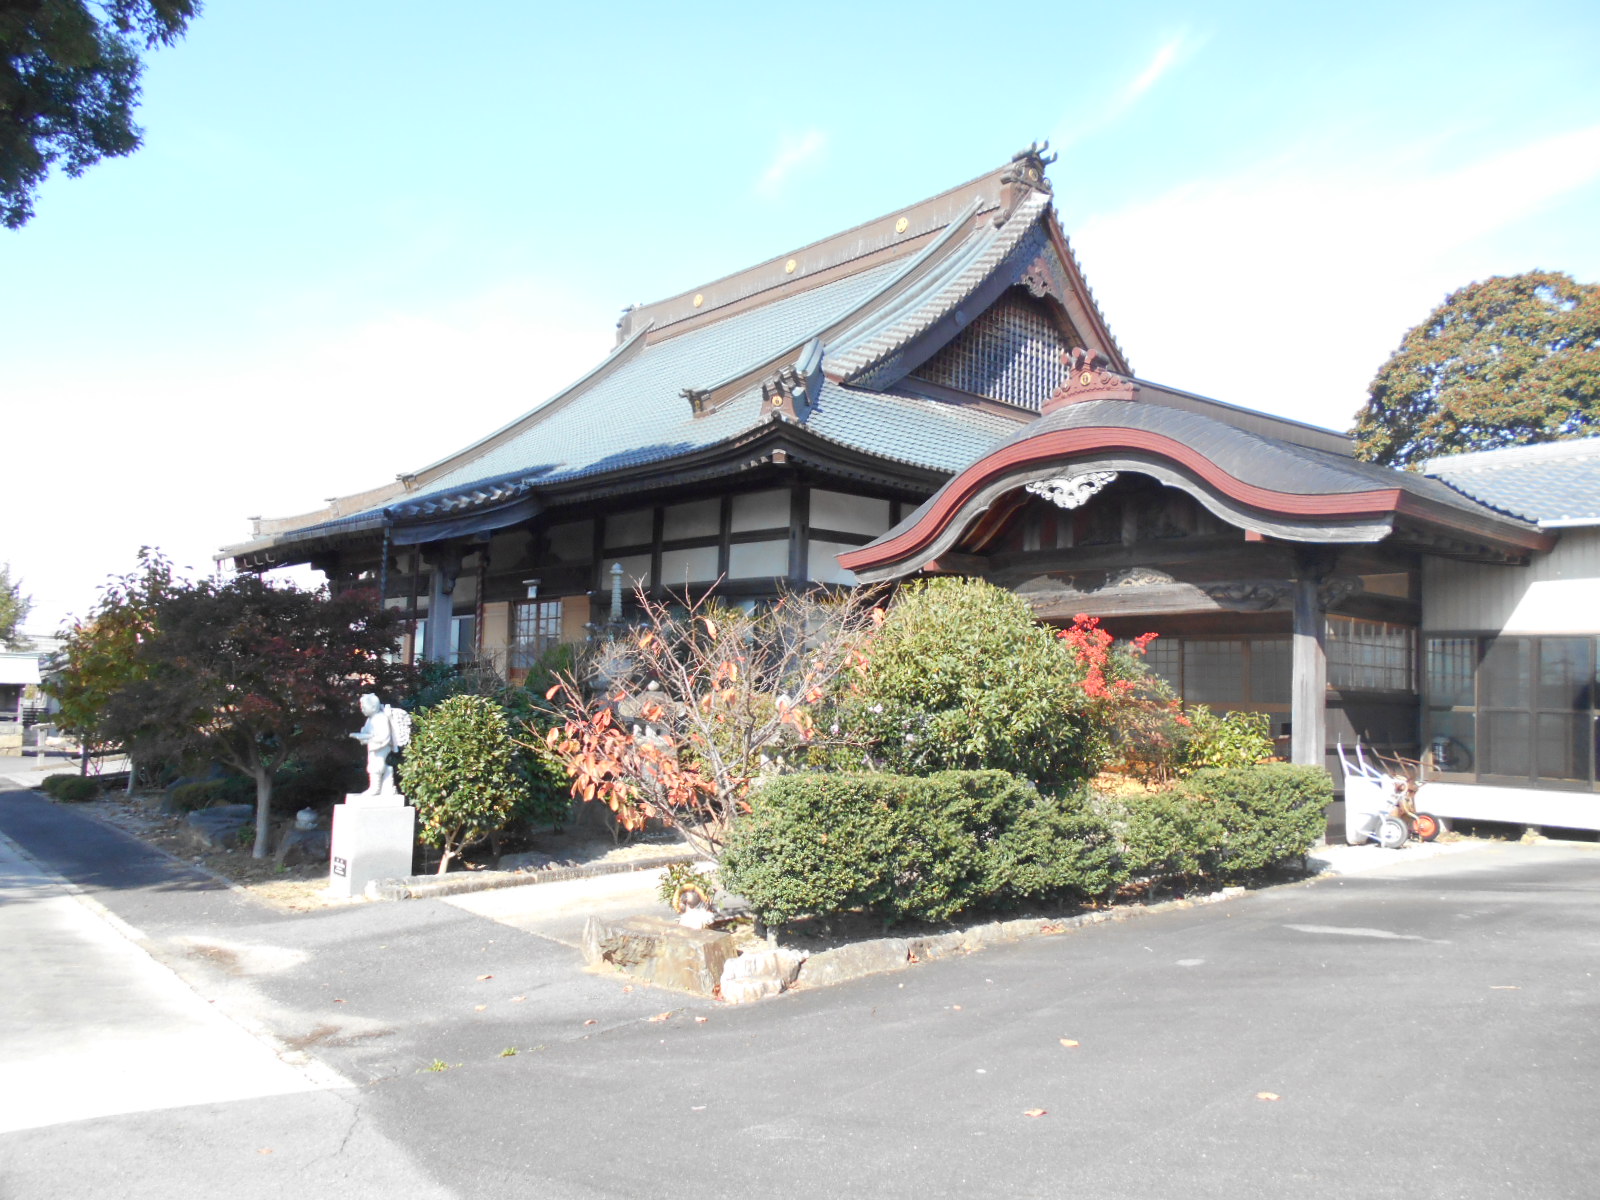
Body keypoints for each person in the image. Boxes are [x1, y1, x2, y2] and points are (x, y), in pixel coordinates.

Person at [350, 693, 397, 795]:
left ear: (373, 707)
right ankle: (383, 782)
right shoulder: (370, 719)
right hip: (374, 745)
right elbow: (367, 733)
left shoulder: (381, 718)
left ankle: (375, 788)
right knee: (373, 764)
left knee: (376, 765)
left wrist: (368, 738)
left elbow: (383, 735)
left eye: (364, 707)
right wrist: (361, 735)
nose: (362, 709)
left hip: (381, 745)